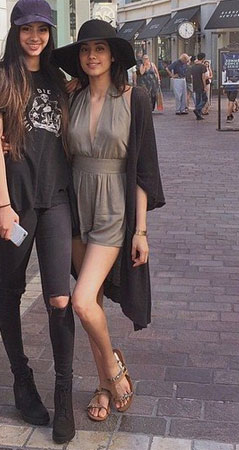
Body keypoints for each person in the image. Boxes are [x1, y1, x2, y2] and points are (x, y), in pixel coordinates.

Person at [51, 18, 165, 422]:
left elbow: (144, 169)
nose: (91, 56)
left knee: (82, 302)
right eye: (85, 49)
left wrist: (142, 231)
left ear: (113, 55)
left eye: (99, 48)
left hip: (113, 208)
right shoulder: (72, 97)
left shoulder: (135, 99)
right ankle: (102, 385)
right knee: (92, 303)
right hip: (76, 206)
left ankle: (114, 372)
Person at [0, 0, 76, 444]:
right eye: (27, 28)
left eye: (42, 29)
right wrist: (2, 204)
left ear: (50, 33)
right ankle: (22, 378)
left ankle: (63, 396)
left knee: (59, 298)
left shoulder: (58, 77)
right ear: (15, 31)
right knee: (11, 289)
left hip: (56, 201)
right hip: (16, 205)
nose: (35, 37)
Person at [189, 52, 208, 120]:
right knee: (204, 99)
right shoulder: (203, 66)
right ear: (203, 58)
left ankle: (198, 115)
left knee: (198, 100)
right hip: (201, 85)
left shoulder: (193, 67)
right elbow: (203, 77)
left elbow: (191, 77)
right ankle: (197, 109)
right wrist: (205, 86)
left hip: (195, 85)